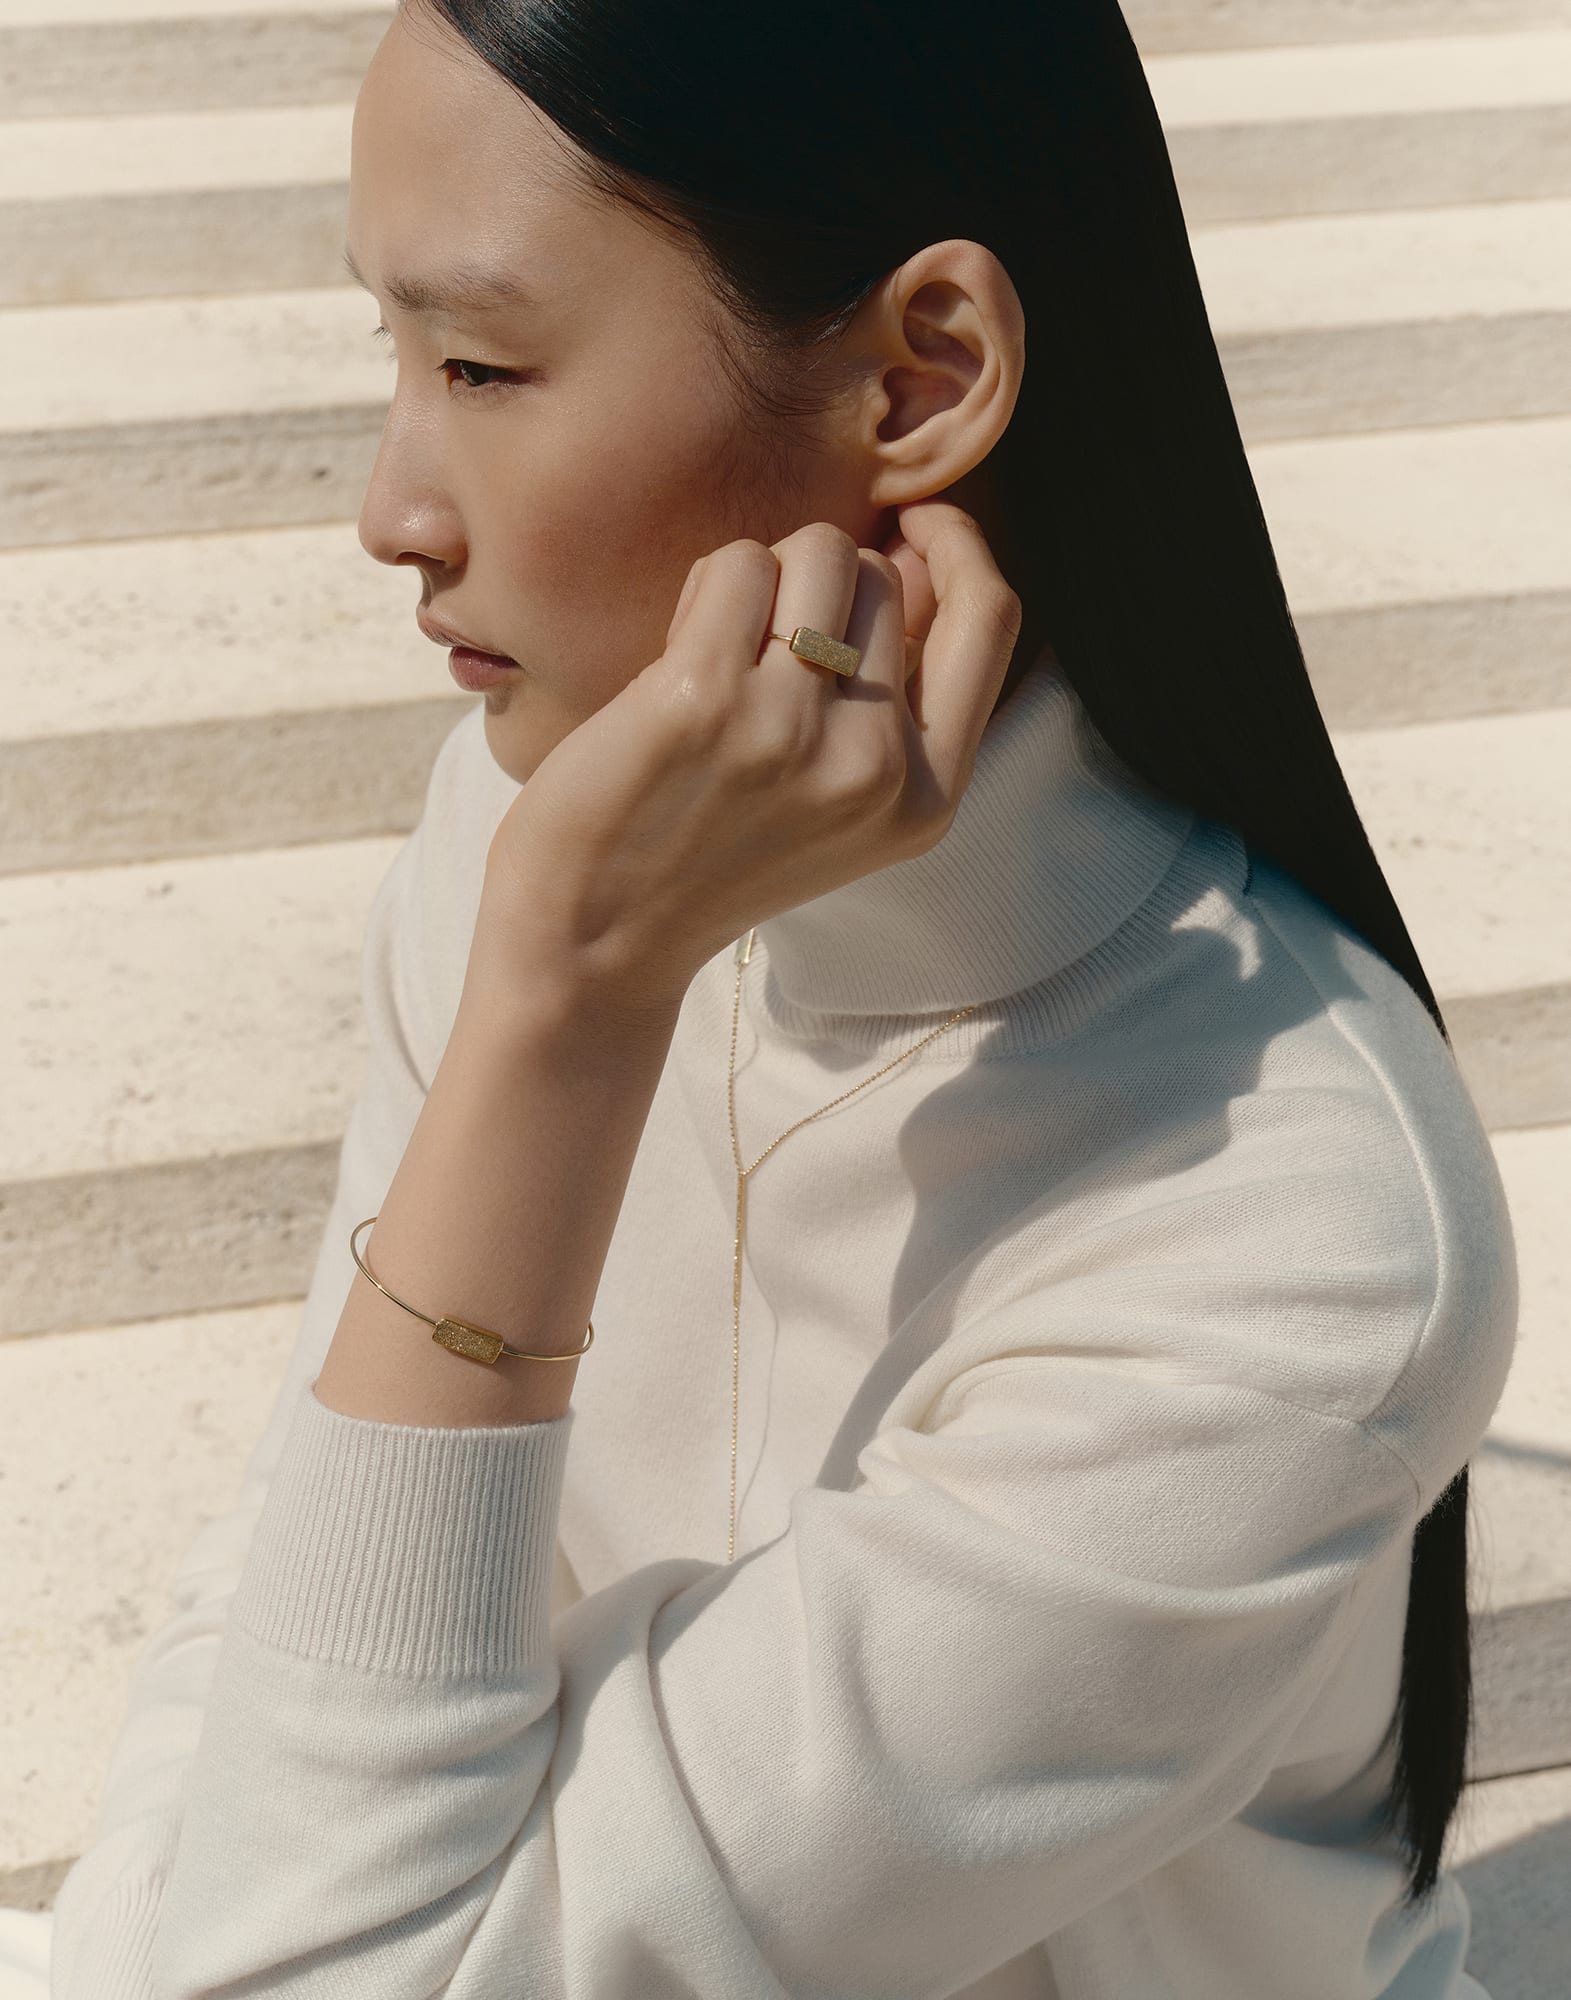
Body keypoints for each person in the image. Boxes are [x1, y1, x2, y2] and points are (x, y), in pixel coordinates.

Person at [42, 1, 1518, 1994]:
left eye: (482, 362)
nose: (389, 506)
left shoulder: (1285, 1224)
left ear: (923, 377)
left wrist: (568, 1010)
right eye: (385, 351)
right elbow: (302, 1566)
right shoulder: (542, 827)